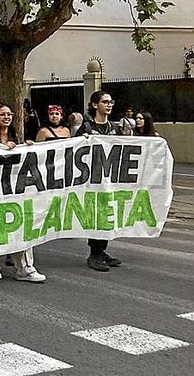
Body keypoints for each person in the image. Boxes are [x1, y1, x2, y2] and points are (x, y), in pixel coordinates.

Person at [0, 103, 46, 283]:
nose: (7, 117)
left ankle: (25, 268)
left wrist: (27, 147)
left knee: (21, 225)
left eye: (10, 114)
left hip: (14, 190)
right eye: (3, 114)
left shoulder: (15, 136)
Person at [76, 90, 124, 272]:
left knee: (107, 213)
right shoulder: (87, 128)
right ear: (95, 105)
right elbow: (75, 150)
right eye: (105, 102)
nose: (109, 105)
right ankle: (94, 253)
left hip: (110, 178)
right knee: (96, 214)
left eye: (111, 102)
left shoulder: (115, 127)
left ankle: (102, 250)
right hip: (92, 180)